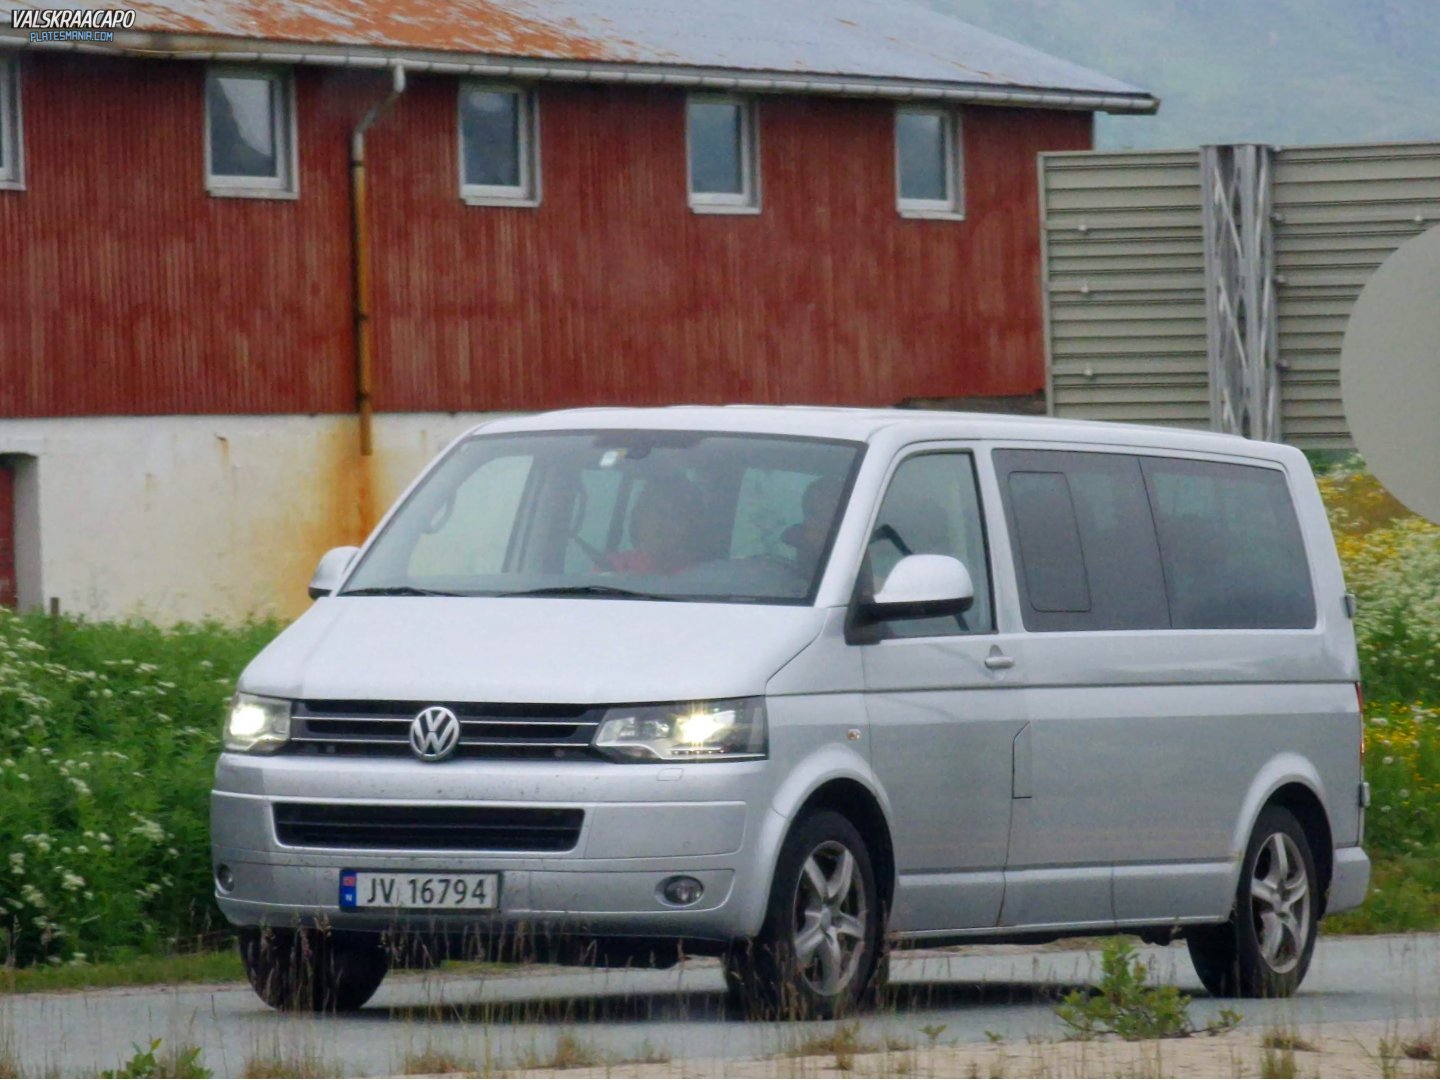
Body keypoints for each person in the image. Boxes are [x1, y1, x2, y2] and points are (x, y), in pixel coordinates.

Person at [608, 476, 707, 574]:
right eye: (661, 512)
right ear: (639, 516)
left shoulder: (706, 576)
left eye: (677, 515)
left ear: (690, 525)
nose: (666, 523)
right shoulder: (609, 569)